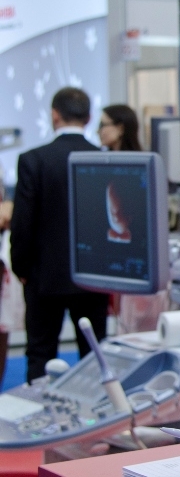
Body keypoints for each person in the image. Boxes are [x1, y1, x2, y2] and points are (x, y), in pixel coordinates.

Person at [10, 87, 109, 383]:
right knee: (95, 356)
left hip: (44, 275)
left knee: (40, 354)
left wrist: (21, 267)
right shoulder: (104, 159)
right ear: (89, 118)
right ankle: (99, 410)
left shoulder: (34, 160)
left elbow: (23, 221)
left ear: (54, 115)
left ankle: (38, 411)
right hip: (94, 274)